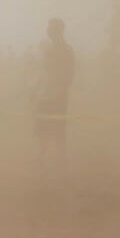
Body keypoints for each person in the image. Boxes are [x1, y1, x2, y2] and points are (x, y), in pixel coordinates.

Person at [32, 18, 76, 166]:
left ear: (59, 31)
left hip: (58, 96)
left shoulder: (67, 50)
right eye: (49, 30)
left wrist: (61, 91)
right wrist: (36, 89)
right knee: (42, 128)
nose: (49, 32)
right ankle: (41, 156)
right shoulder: (48, 50)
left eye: (52, 30)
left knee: (58, 128)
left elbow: (70, 74)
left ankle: (61, 158)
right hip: (44, 95)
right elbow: (42, 72)